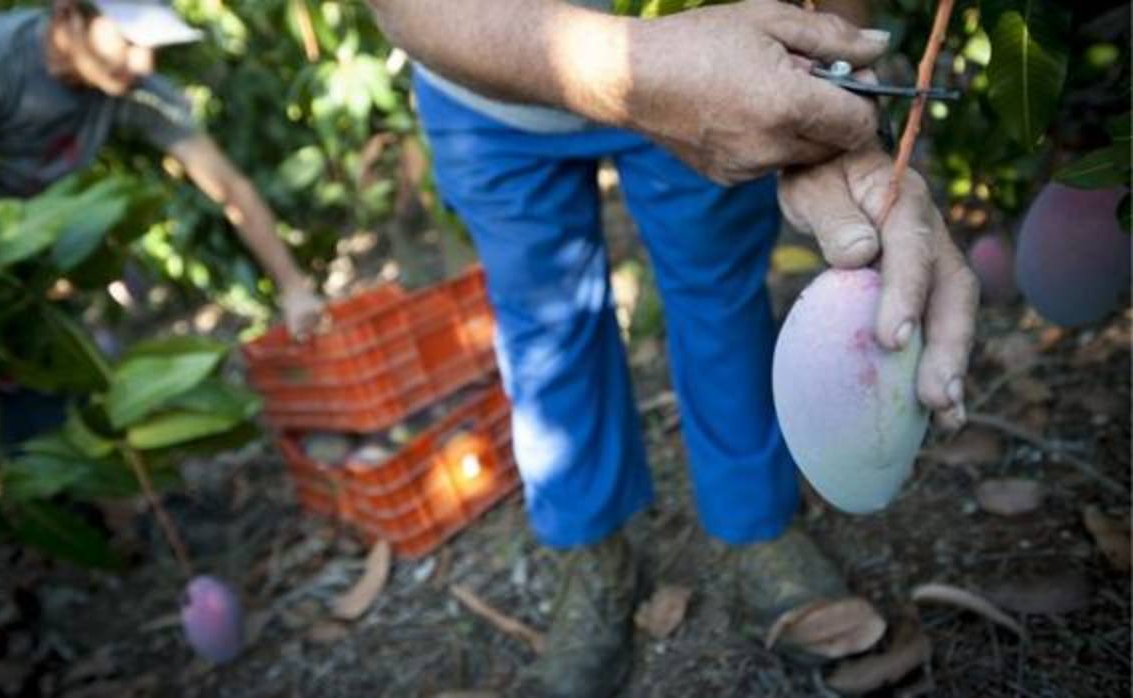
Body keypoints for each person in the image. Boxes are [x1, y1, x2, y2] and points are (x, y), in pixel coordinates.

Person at [362, 0, 979, 695]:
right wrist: (634, 70)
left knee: (722, 302)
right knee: (543, 328)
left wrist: (835, 94)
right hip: (485, 88)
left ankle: (757, 529)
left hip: (710, 65)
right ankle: (592, 550)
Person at [0, 0, 322, 337]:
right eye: (128, 40)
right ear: (69, 13)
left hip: (33, 258)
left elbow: (227, 184)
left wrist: (294, 287)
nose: (144, 64)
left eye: (151, 46)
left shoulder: (131, 88)